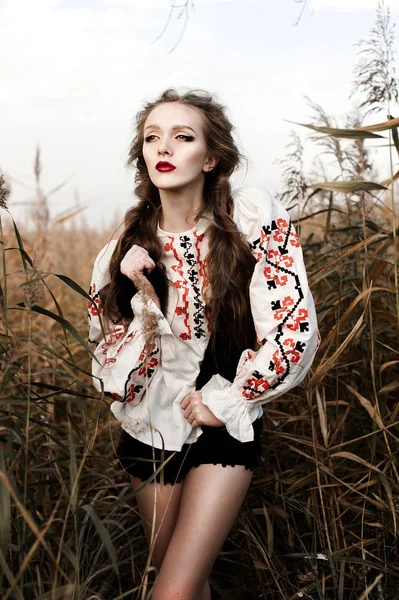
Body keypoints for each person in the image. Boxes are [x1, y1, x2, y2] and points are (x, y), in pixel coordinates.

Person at [88, 87, 320, 600]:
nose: (164, 148)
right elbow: (109, 370)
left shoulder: (253, 220)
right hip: (148, 431)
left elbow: (294, 326)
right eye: (152, 138)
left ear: (211, 157)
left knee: (170, 592)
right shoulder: (117, 255)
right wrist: (140, 296)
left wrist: (232, 398)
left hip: (223, 423)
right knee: (185, 584)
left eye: (183, 136)